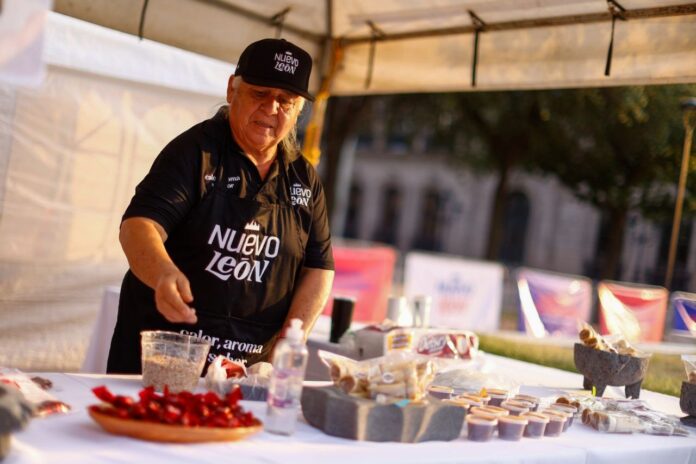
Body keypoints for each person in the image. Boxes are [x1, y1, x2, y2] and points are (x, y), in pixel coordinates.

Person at [107, 38, 335, 373]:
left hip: (244, 372)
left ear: (300, 109)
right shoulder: (195, 152)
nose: (272, 109)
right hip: (168, 359)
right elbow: (139, 226)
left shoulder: (304, 178)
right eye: (260, 94)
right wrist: (163, 274)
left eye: (285, 101)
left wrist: (289, 343)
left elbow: (319, 268)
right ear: (232, 90)